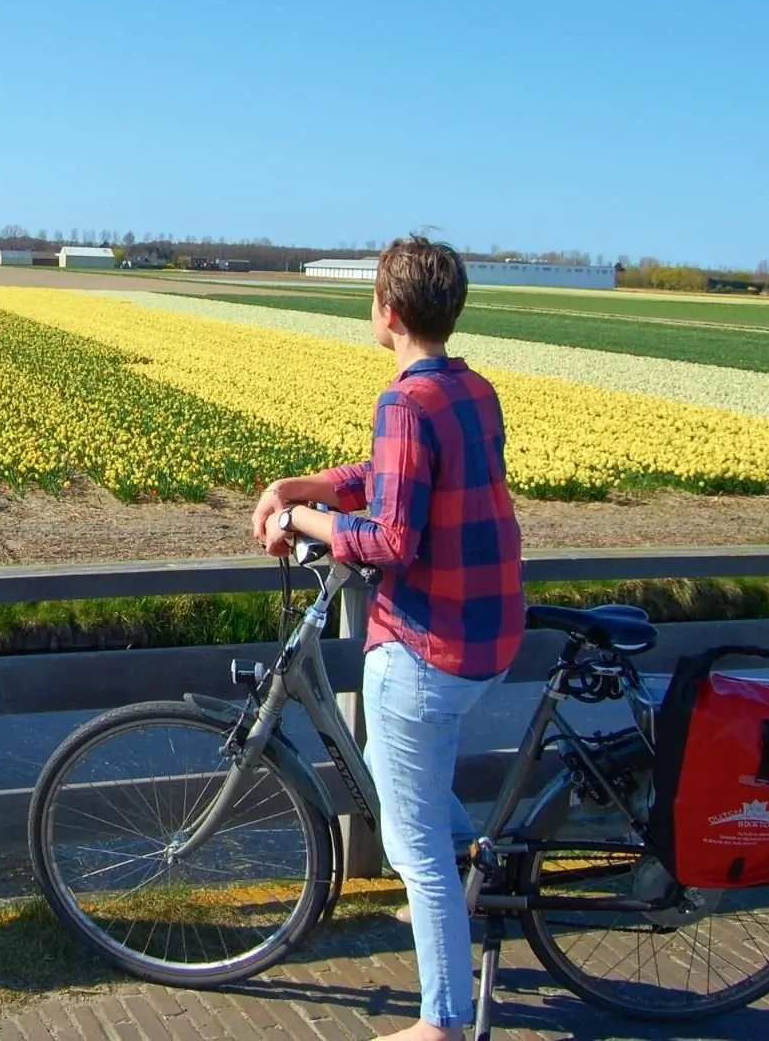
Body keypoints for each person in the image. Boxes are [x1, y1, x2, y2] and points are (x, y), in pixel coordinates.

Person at [250, 236, 525, 1041]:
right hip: (491, 631)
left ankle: (441, 1021)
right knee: (402, 780)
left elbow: (392, 537)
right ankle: (473, 876)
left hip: (429, 643)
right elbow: (393, 474)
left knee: (416, 847)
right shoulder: (473, 389)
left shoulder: (404, 401)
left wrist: (302, 520)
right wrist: (306, 485)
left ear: (389, 312)